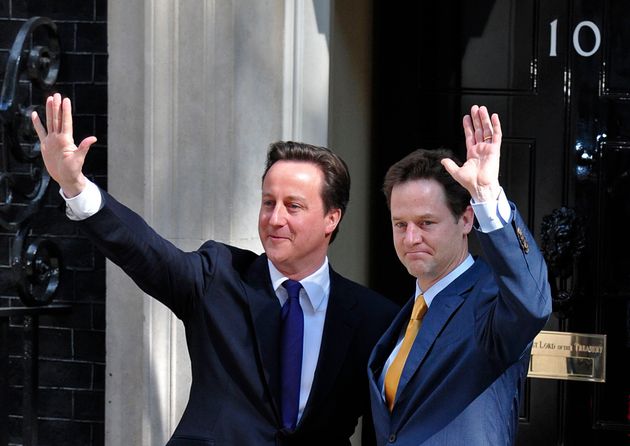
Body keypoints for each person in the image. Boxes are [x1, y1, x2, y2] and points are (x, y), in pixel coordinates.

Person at [32, 93, 399, 446]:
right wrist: (75, 186)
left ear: (331, 218)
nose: (275, 218)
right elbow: (145, 251)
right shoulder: (217, 277)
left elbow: (392, 424)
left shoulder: (373, 318)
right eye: (268, 202)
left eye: (294, 206)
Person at [367, 105, 552, 445]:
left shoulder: (488, 301)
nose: (410, 238)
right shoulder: (405, 316)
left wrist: (486, 194)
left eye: (426, 223)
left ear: (466, 220)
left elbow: (533, 303)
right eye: (400, 224)